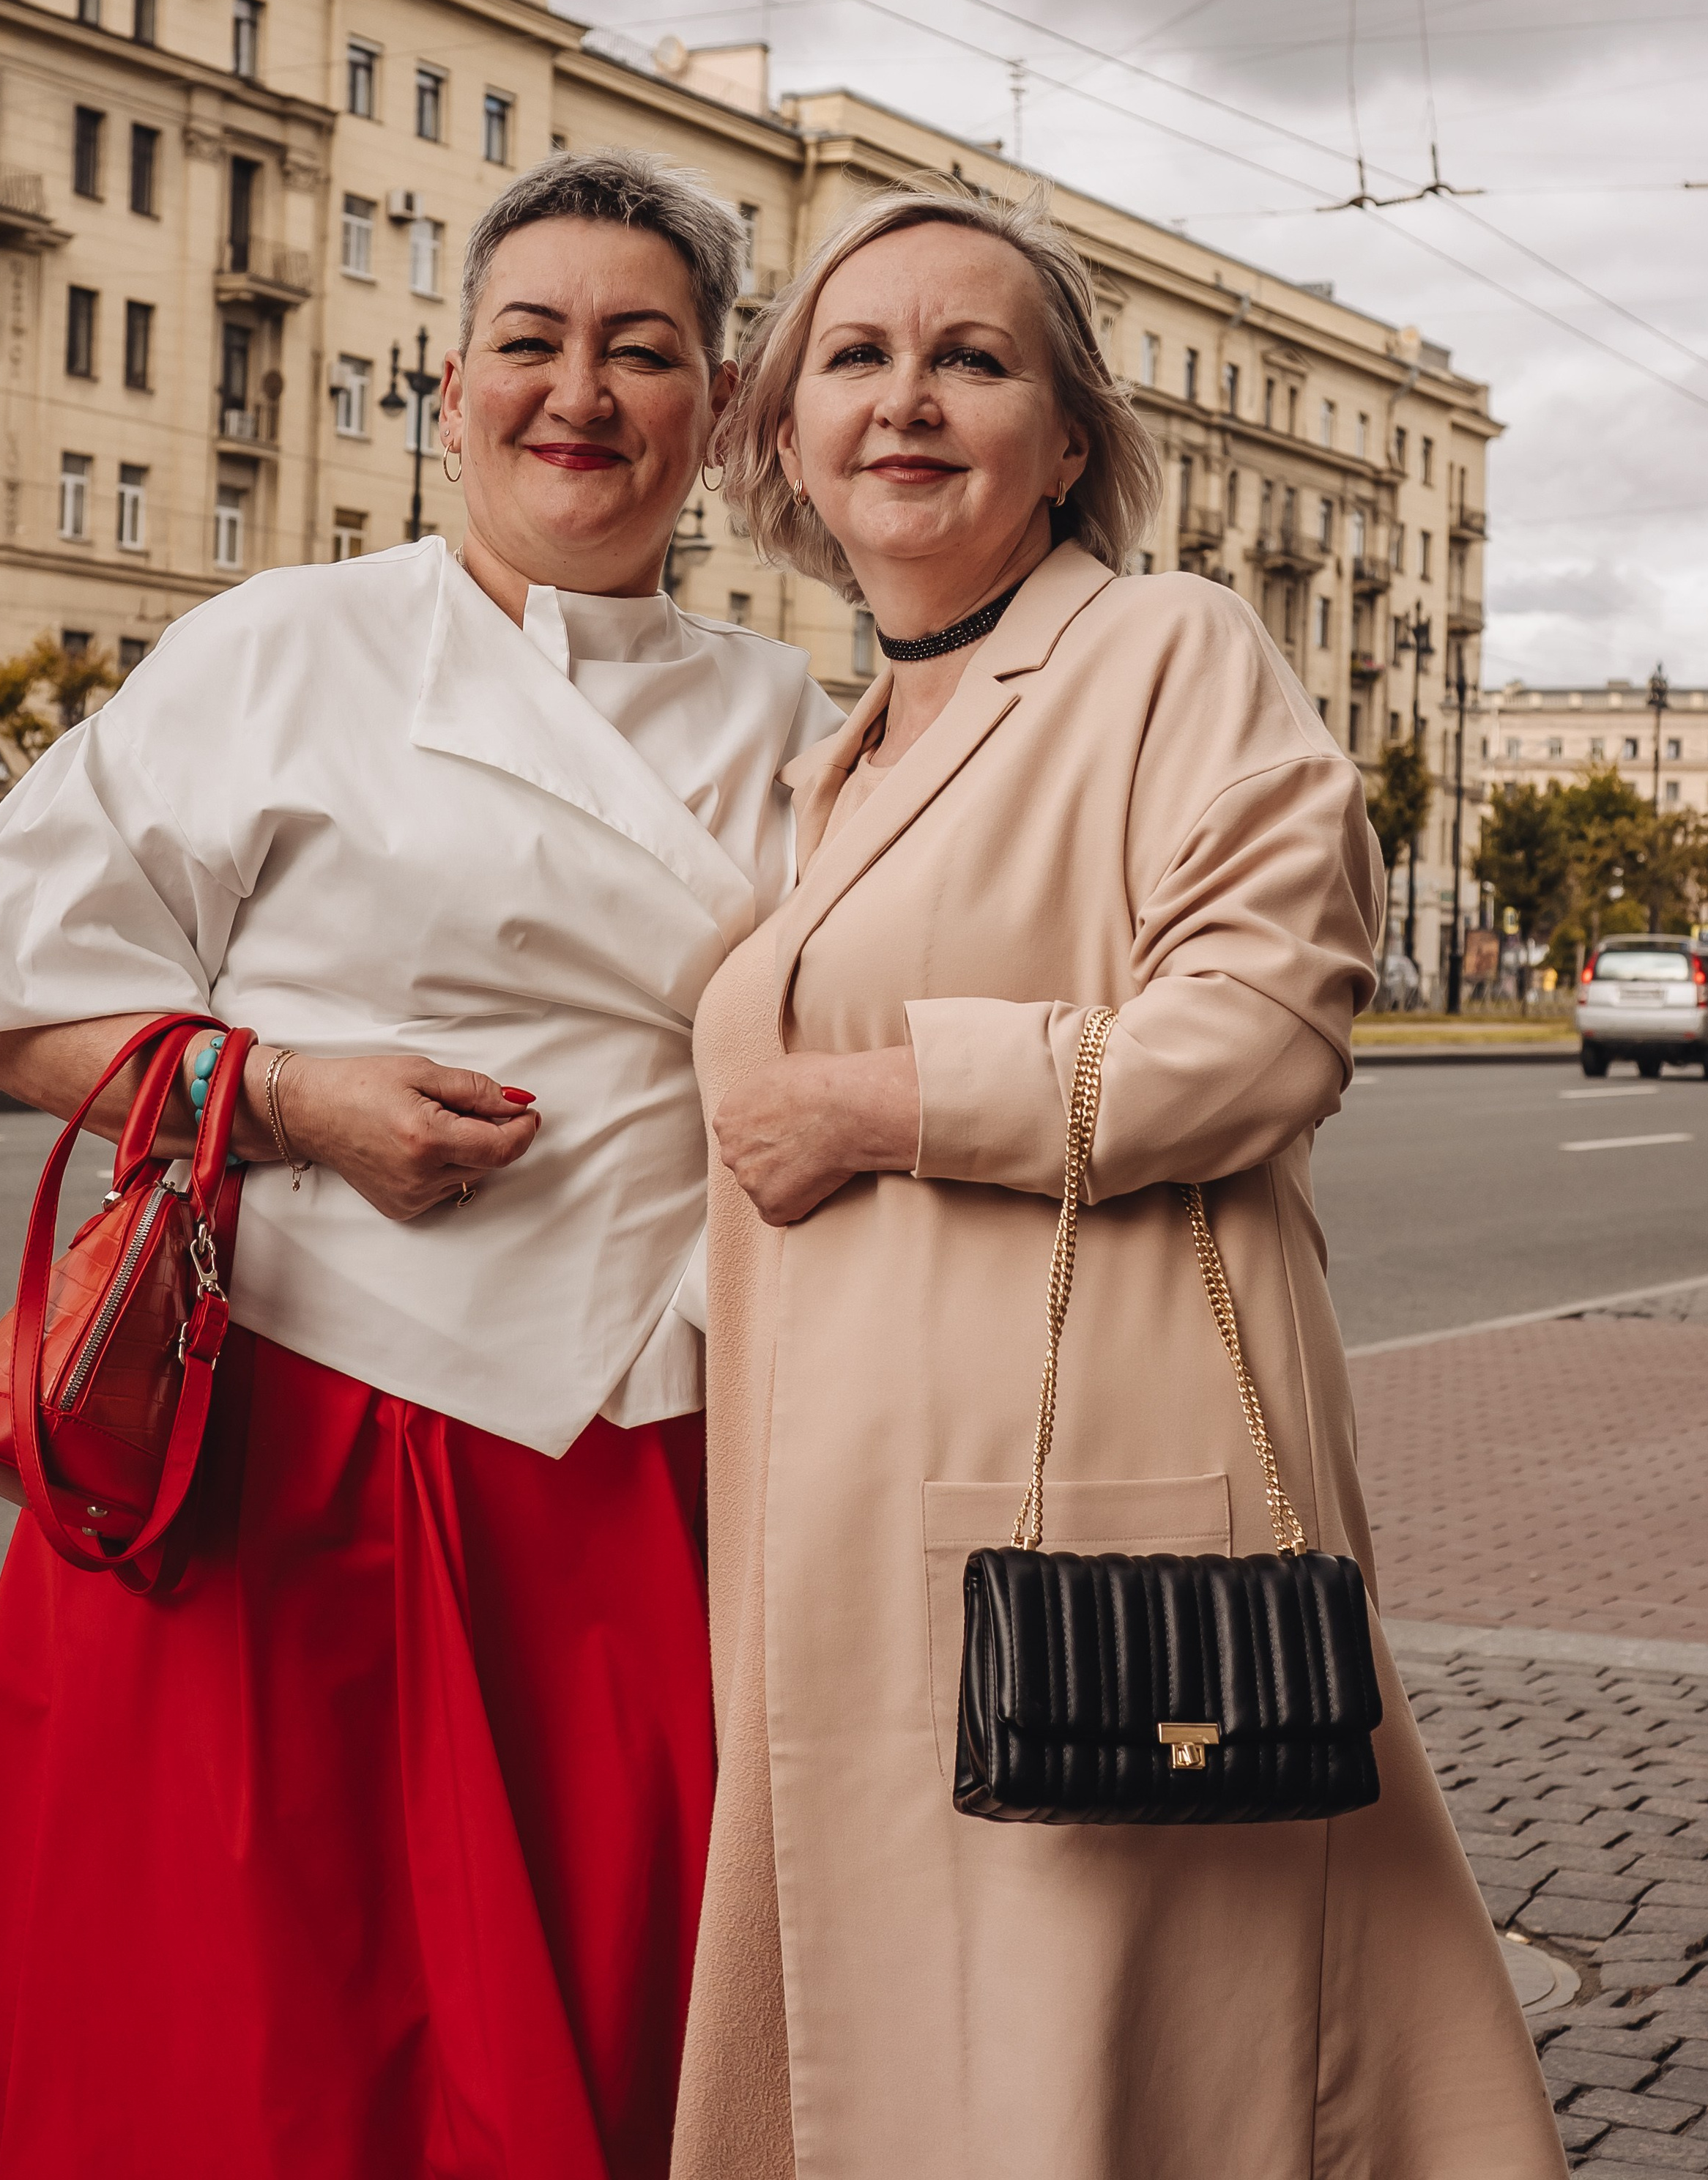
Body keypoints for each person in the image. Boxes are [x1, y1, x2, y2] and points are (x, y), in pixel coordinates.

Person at [0, 152, 839, 2180]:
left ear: (718, 404)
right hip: (295, 1439)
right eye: (532, 342)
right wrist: (292, 1098)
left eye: (642, 349)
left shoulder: (797, 719)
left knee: (619, 2019)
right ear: (450, 382)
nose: (580, 390)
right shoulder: (284, 646)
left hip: (642, 1463)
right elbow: (2, 986)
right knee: (248, 2043)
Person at [669, 182, 1567, 2180]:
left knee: (1116, 2058)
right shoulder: (852, 743)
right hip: (854, 1535)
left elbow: (1256, 1033)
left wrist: (882, 1107)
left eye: (972, 360)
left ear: (1070, 440)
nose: (908, 400)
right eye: (858, 357)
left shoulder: (1167, 646)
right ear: (791, 432)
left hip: (1082, 1514)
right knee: (944, 2050)